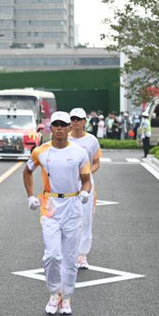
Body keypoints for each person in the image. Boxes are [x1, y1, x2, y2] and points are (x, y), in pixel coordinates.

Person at [23, 111, 91, 316]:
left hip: (72, 205)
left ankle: (67, 297)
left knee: (70, 258)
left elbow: (86, 178)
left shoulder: (79, 152)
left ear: (69, 128)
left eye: (63, 124)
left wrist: (85, 192)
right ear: (50, 128)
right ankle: (55, 293)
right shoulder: (41, 151)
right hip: (50, 206)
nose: (60, 128)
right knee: (52, 255)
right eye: (56, 125)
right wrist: (30, 196)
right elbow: (27, 171)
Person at [68, 108, 102, 269]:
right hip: (66, 183)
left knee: (86, 218)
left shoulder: (92, 141)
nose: (75, 121)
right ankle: (68, 252)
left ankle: (82, 255)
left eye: (78, 119)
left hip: (86, 183)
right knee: (67, 218)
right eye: (73, 118)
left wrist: (86, 173)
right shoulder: (63, 139)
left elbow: (96, 162)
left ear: (84, 121)